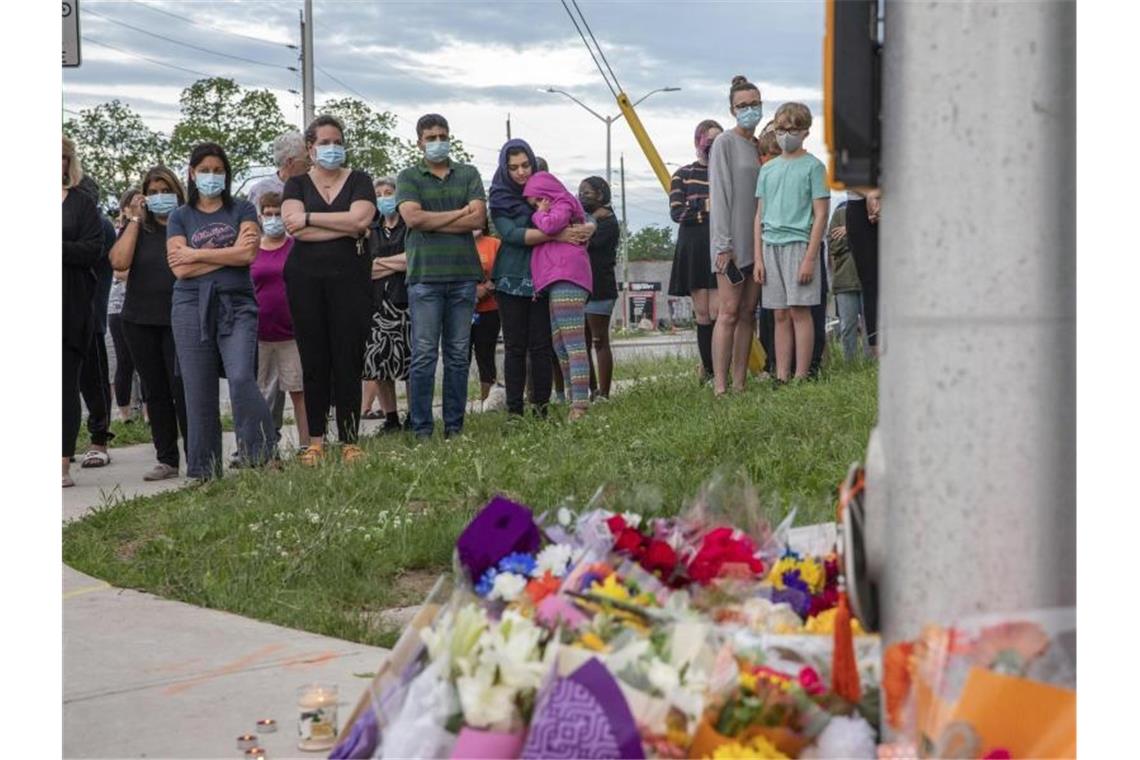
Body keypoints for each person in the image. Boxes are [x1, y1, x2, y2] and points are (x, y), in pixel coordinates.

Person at [167, 142, 276, 480]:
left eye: (218, 170)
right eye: (205, 170)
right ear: (191, 173)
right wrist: (226, 253)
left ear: (226, 175)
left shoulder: (243, 208)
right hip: (189, 305)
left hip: (237, 304)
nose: (211, 176)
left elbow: (247, 256)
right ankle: (204, 469)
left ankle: (260, 451)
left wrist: (196, 255)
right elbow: (179, 269)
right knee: (198, 389)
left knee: (242, 376)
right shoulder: (179, 216)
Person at [281, 115, 375, 463]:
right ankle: (316, 441)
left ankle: (350, 439)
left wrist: (311, 218)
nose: (332, 148)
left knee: (347, 356)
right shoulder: (297, 184)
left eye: (337, 141)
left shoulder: (360, 180)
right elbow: (293, 226)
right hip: (305, 281)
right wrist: (344, 226)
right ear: (310, 147)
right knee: (314, 358)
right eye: (324, 142)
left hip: (350, 280)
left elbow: (362, 219)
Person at [395, 113, 487, 439]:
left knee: (458, 356)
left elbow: (478, 219)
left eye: (442, 136)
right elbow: (413, 218)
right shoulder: (408, 176)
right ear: (419, 141)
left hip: (463, 276)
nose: (437, 142)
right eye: (430, 137)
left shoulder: (468, 173)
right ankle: (421, 429)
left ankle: (454, 427)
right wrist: (459, 213)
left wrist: (441, 218)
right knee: (423, 357)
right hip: (424, 278)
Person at [488, 139, 592, 418]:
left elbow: (578, 216)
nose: (521, 172)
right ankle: (514, 411)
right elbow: (511, 234)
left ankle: (542, 408)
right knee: (514, 347)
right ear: (504, 169)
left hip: (544, 278)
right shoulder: (499, 197)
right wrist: (557, 234)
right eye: (513, 167)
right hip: (511, 278)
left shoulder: (547, 193)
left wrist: (586, 228)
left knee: (543, 346)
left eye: (525, 165)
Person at [110, 166, 190, 481]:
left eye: (165, 191)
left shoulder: (185, 223)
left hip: (178, 318)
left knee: (182, 388)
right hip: (139, 320)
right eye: (153, 192)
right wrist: (133, 219)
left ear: (177, 192)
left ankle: (196, 454)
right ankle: (166, 458)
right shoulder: (138, 229)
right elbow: (118, 262)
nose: (159, 197)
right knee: (155, 391)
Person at [753, 102, 831, 382]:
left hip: (799, 245)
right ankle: (782, 374)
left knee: (800, 311)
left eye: (793, 129)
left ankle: (802, 374)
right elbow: (759, 215)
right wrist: (759, 257)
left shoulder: (814, 167)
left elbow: (821, 214)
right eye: (782, 129)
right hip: (770, 246)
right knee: (780, 315)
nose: (787, 134)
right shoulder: (768, 170)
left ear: (805, 132)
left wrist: (810, 257)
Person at [708, 75, 765, 395]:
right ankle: (720, 385)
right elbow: (721, 195)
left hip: (756, 242)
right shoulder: (725, 143)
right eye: (742, 106)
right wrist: (723, 245)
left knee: (747, 313)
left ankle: (741, 382)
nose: (749, 110)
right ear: (732, 110)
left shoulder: (759, 146)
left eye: (754, 104)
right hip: (729, 242)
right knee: (728, 312)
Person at [523, 171, 595, 421]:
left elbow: (551, 225)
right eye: (534, 203)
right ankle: (572, 400)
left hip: (568, 277)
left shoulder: (562, 203)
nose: (537, 205)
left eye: (538, 199)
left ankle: (580, 406)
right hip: (555, 279)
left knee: (573, 344)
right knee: (560, 345)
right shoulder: (559, 205)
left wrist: (538, 212)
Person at [62, 136, 106, 488]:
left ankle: (61, 462)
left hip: (70, 305)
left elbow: (92, 249)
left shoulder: (82, 204)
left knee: (64, 387)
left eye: (61, 157)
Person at [251, 191, 309, 450]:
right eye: (268, 214)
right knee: (262, 395)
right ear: (261, 216)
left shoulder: (296, 246)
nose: (273, 219)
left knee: (299, 391)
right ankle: (262, 444)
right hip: (260, 334)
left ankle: (308, 445)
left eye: (278, 214)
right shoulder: (252, 250)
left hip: (292, 334)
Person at [669, 120, 723, 382]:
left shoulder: (726, 173)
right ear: (697, 142)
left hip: (721, 245)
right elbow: (678, 213)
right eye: (708, 142)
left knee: (719, 312)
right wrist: (708, 208)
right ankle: (709, 371)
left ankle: (721, 369)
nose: (712, 148)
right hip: (693, 247)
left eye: (718, 142)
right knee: (702, 313)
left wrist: (700, 208)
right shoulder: (682, 173)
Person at [73, 174, 118, 470]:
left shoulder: (99, 226)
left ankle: (98, 439)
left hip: (89, 317)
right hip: (65, 315)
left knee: (94, 382)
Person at [362, 176, 411, 433]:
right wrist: (396, 264)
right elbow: (364, 269)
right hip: (377, 306)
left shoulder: (409, 226)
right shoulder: (372, 229)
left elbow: (413, 259)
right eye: (379, 193)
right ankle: (391, 419)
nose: (384, 197)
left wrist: (381, 263)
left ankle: (415, 415)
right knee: (379, 364)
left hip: (407, 303)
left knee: (411, 363)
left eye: (388, 191)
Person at [579, 176, 620, 399]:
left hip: (600, 287)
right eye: (580, 193)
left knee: (599, 340)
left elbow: (584, 242)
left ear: (601, 195)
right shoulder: (590, 219)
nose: (581, 197)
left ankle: (604, 394)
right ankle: (591, 390)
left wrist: (591, 221)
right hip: (581, 287)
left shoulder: (609, 223)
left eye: (586, 193)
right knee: (582, 344)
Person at [108, 188, 143, 424]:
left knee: (145, 363)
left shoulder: (148, 232)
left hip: (144, 304)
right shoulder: (118, 233)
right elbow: (119, 271)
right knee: (125, 362)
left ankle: (149, 413)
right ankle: (124, 413)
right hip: (118, 306)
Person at [471, 218, 503, 407]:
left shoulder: (494, 244)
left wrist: (486, 289)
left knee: (486, 356)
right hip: (461, 311)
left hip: (489, 309)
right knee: (459, 356)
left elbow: (501, 273)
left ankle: (487, 402)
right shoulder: (458, 243)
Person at [846, 186, 881, 355]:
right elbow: (845, 171)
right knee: (871, 281)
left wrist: (878, 194)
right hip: (859, 203)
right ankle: (877, 349)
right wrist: (870, 194)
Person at [827, 202, 864, 360]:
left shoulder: (875, 210)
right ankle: (850, 365)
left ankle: (871, 363)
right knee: (847, 327)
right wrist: (860, 232)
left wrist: (849, 230)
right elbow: (834, 246)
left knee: (871, 328)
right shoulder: (839, 213)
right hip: (844, 280)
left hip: (868, 280)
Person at [248, 131, 310, 209]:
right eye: (307, 158)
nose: (310, 163)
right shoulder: (260, 191)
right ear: (290, 162)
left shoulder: (314, 188)